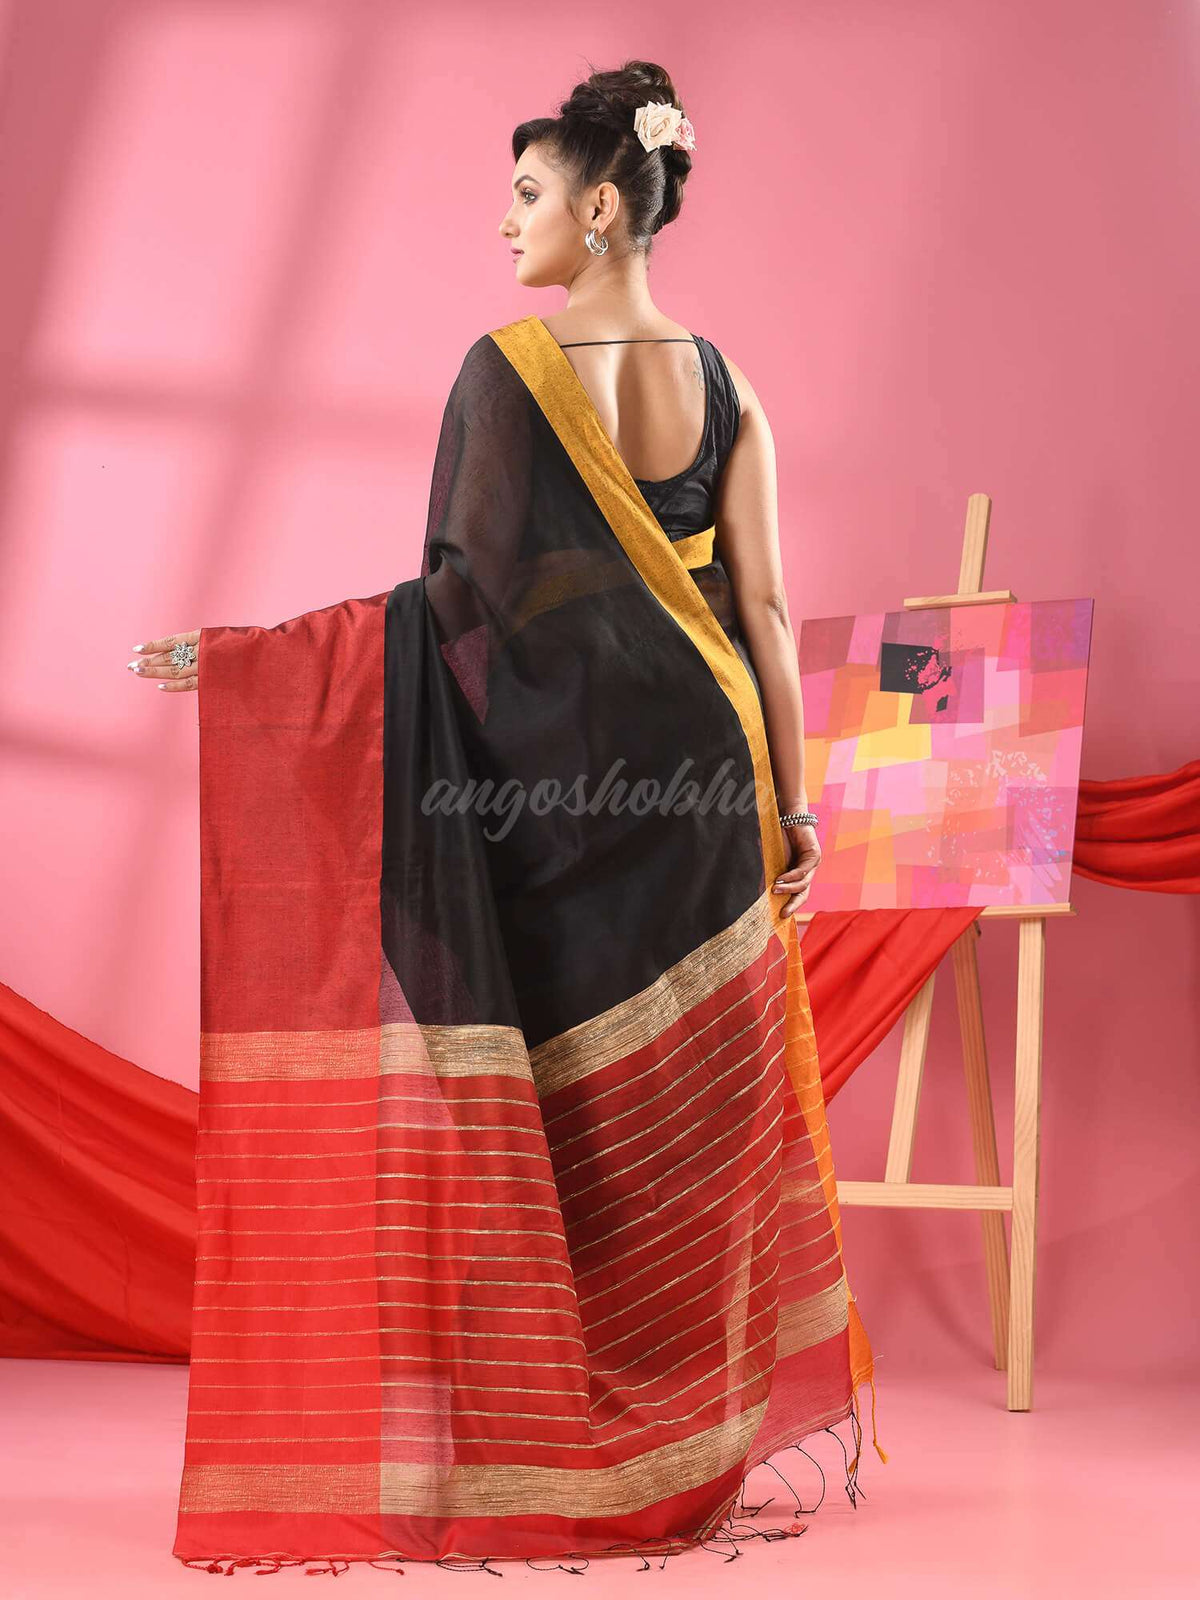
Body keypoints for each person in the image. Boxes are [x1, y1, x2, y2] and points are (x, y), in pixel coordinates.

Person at [131, 57, 883, 1576]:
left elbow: (459, 610)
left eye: (529, 193)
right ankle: (680, 1449)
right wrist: (793, 806)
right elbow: (766, 610)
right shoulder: (730, 388)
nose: (505, 222)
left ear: (602, 207)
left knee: (563, 1115)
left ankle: (559, 1437)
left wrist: (261, 668)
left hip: (557, 793)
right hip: (707, 781)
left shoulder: (508, 371)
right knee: (688, 1138)